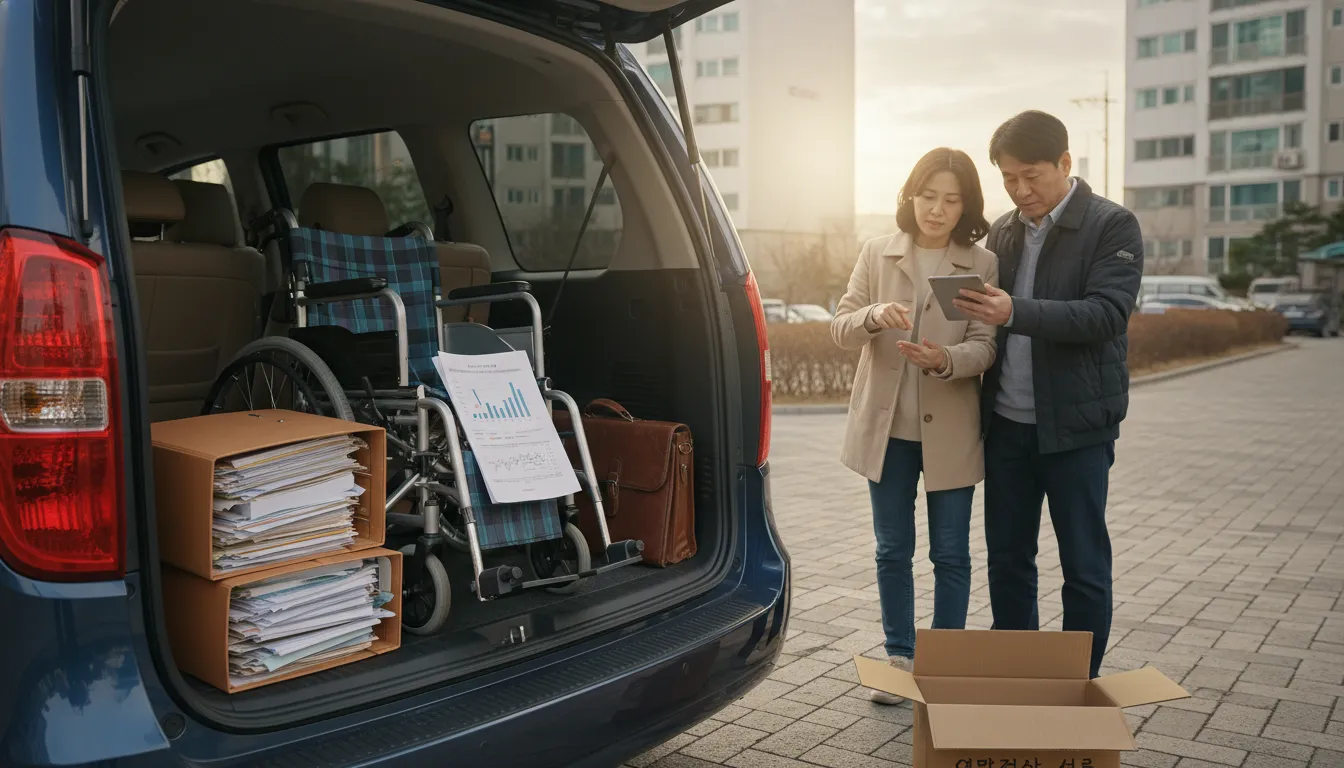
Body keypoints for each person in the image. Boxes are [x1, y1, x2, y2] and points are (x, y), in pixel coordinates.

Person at [952, 110, 1144, 679]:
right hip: (1006, 426)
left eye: (1031, 176)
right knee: (1009, 561)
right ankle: (1020, 679)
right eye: (1008, 178)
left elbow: (1106, 315)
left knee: (1083, 565)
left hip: (1077, 430)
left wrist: (1015, 310)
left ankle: (1077, 684)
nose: (1020, 190)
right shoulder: (1003, 231)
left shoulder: (1112, 225)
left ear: (1064, 163)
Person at [830, 147, 999, 703]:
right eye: (928, 196)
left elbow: (985, 345)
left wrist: (945, 360)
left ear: (965, 206)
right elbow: (840, 327)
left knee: (950, 553)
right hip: (887, 433)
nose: (937, 210)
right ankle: (899, 657)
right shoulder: (877, 252)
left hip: (950, 430)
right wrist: (874, 316)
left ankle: (943, 664)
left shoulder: (981, 263)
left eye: (951, 200)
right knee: (891, 549)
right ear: (911, 195)